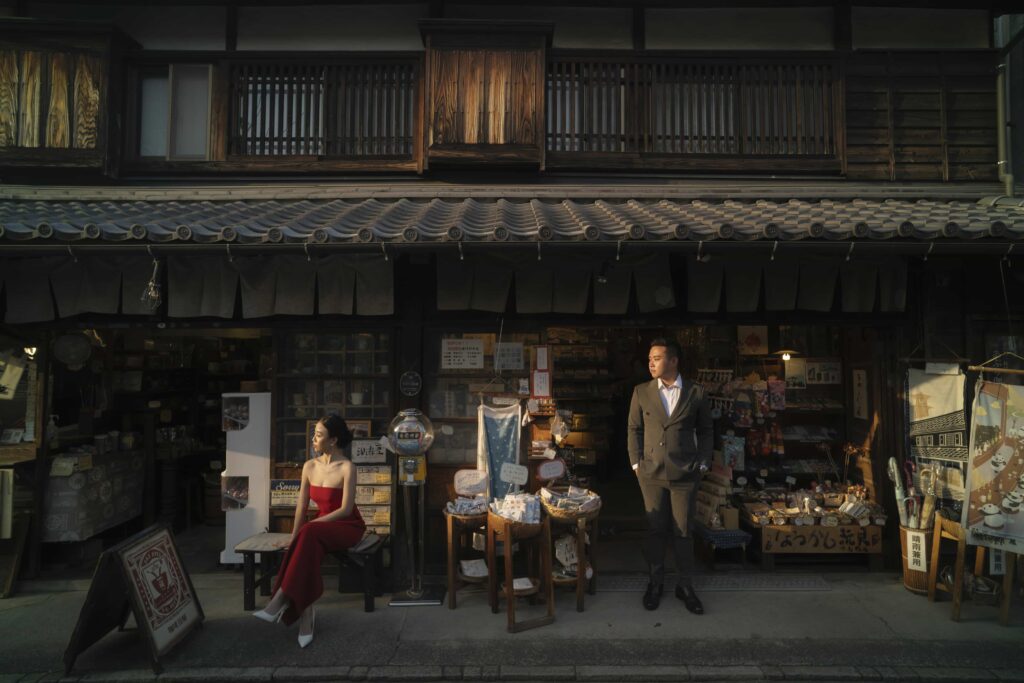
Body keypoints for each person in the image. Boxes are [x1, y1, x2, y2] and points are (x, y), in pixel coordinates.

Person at [253, 414, 366, 647]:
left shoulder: (347, 467)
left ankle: (281, 599)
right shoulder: (309, 466)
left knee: (310, 533)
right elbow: (301, 506)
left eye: (319, 435)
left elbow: (345, 510)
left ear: (333, 440)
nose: (313, 439)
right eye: (314, 434)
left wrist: (311, 526)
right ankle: (306, 615)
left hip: (346, 525)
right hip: (318, 528)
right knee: (308, 543)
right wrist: (294, 537)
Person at [627, 338, 713, 614]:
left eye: (657, 358)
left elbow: (707, 430)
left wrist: (703, 464)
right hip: (651, 473)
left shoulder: (696, 392)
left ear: (673, 361)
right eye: (649, 359)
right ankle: (655, 583)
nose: (650, 363)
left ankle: (685, 585)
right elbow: (634, 429)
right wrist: (636, 464)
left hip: (685, 473)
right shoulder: (641, 391)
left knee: (684, 531)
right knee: (656, 529)